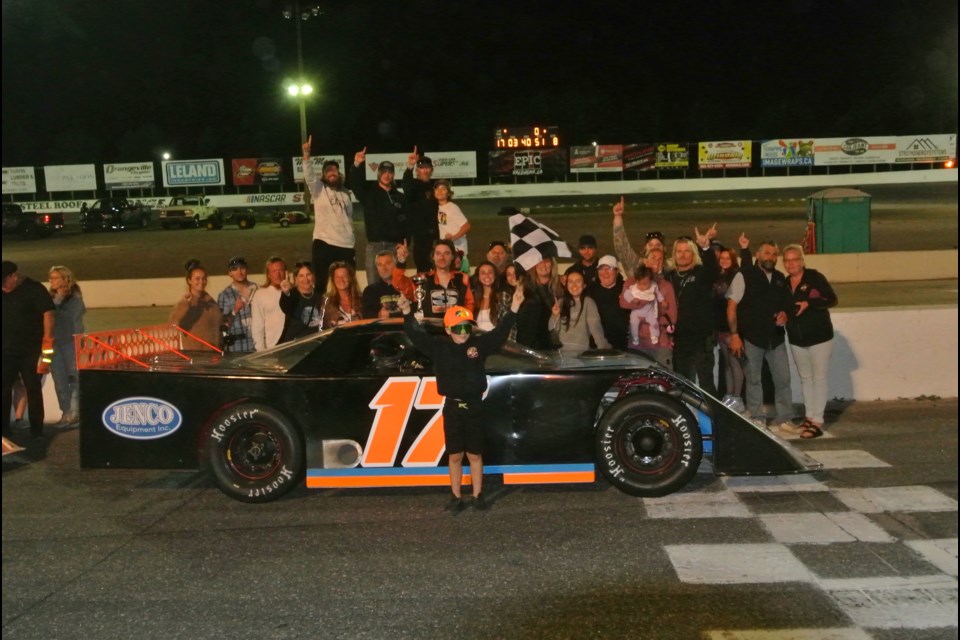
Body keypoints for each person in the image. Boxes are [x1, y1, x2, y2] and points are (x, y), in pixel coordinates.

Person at [396, 285, 525, 511]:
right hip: (452, 408)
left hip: (475, 406)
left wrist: (514, 306)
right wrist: (407, 311)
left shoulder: (478, 346)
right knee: (455, 454)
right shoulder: (438, 348)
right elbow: (416, 335)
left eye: (466, 326)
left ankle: (478, 495)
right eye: (458, 328)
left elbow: (499, 333)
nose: (463, 332)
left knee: (475, 454)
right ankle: (455, 496)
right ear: (447, 329)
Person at [726, 240, 796, 433]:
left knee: (783, 380)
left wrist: (785, 314)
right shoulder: (744, 275)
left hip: (776, 339)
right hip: (750, 339)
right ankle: (757, 417)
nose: (770, 257)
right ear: (758, 254)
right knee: (753, 380)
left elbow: (788, 305)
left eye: (774, 254)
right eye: (767, 253)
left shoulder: (780, 278)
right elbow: (731, 307)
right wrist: (734, 335)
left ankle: (785, 418)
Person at [783, 244, 838, 439]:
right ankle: (809, 416)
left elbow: (831, 299)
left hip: (820, 337)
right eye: (787, 261)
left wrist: (810, 303)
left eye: (794, 259)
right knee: (806, 378)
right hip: (797, 339)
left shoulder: (814, 278)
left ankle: (817, 421)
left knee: (819, 378)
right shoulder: (784, 283)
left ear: (802, 261)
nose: (791, 264)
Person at [2, 261, 55, 440]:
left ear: (12, 276)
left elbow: (48, 314)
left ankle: (37, 430)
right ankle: (4, 430)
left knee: (33, 388)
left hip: (31, 350)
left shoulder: (33, 289)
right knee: (3, 389)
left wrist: (47, 344)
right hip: (5, 351)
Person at [666, 227, 720, 396]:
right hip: (679, 340)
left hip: (700, 339)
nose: (682, 255)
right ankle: (687, 419)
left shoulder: (701, 272)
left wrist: (706, 248)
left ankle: (711, 421)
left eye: (687, 251)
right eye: (679, 251)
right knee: (682, 384)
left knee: (706, 385)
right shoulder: (669, 277)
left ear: (693, 254)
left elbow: (713, 270)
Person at [303, 134, 355, 291]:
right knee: (320, 283)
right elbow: (309, 177)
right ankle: (318, 314)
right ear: (324, 175)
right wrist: (306, 156)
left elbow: (349, 216)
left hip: (346, 244)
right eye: (328, 171)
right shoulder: (319, 189)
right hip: (324, 243)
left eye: (335, 171)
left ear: (338, 174)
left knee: (347, 284)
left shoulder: (346, 193)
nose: (332, 173)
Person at [349, 148, 406, 283]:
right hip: (374, 246)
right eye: (383, 172)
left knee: (396, 284)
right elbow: (355, 185)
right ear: (379, 173)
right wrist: (356, 165)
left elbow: (405, 222)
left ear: (393, 175)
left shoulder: (400, 197)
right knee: (373, 284)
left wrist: (404, 243)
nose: (386, 175)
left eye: (389, 172)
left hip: (394, 247)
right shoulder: (369, 194)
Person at [620, 248, 677, 368]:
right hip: (637, 343)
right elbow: (623, 302)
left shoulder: (666, 286)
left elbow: (672, 317)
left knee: (663, 381)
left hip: (659, 345)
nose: (657, 261)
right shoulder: (632, 281)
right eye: (653, 258)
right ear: (645, 261)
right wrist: (644, 302)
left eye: (660, 259)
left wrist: (651, 317)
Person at [393, 239, 473, 319]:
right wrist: (401, 262)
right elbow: (399, 284)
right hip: (428, 330)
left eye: (446, 253)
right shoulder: (422, 279)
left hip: (456, 329)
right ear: (433, 257)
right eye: (438, 253)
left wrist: (463, 323)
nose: (442, 257)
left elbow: (469, 304)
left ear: (452, 256)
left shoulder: (462, 278)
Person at [48, 266, 85, 426]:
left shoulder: (75, 299)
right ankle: (66, 412)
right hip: (54, 344)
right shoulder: (49, 298)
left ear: (65, 279)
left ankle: (75, 413)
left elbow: (71, 321)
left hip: (71, 343)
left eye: (55, 277)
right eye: (50, 278)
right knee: (59, 380)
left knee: (74, 377)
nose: (51, 281)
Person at [713, 246, 745, 406]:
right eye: (722, 258)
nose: (724, 261)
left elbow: (732, 306)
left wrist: (734, 333)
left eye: (728, 258)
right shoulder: (720, 276)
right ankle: (729, 395)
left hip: (730, 328)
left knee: (734, 362)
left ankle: (737, 397)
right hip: (720, 327)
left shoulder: (736, 276)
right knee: (726, 363)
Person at [549, 271, 611, 354]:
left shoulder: (588, 302)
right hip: (560, 354)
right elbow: (552, 329)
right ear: (566, 286)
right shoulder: (561, 302)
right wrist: (555, 315)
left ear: (584, 285)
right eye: (570, 282)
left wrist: (604, 350)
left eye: (578, 281)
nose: (574, 285)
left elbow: (596, 328)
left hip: (581, 354)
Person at [168, 259, 222, 350]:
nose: (201, 281)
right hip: (195, 354)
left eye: (204, 278)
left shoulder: (211, 303)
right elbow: (173, 325)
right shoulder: (184, 303)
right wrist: (185, 304)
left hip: (214, 354)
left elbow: (218, 324)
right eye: (197, 278)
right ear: (189, 281)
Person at [402, 147, 439, 273]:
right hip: (420, 238)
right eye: (422, 168)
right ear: (417, 170)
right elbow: (407, 188)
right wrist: (409, 168)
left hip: (436, 236)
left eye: (428, 168)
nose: (425, 170)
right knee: (423, 270)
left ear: (431, 170)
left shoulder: (435, 187)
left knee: (437, 268)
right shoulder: (414, 185)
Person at [515, 257, 562, 351]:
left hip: (548, 342)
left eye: (546, 261)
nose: (543, 265)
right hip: (526, 341)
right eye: (539, 261)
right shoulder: (524, 285)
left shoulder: (559, 287)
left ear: (552, 264)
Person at [611, 196, 668, 275]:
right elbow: (621, 248)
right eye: (651, 245)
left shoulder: (672, 268)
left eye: (658, 245)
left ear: (664, 248)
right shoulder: (636, 266)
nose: (654, 247)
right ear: (645, 248)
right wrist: (618, 216)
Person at [587, 255, 630, 351]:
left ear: (617, 271)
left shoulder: (626, 288)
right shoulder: (590, 291)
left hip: (623, 346)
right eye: (601, 269)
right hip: (596, 347)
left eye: (609, 268)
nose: (605, 272)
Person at [217, 256, 258, 353]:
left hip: (256, 345)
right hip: (235, 347)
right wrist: (234, 310)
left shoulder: (257, 289)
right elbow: (220, 323)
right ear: (230, 273)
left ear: (247, 269)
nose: (239, 272)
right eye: (235, 269)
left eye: (242, 268)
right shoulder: (224, 295)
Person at [278, 262, 324, 342]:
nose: (305, 279)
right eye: (301, 276)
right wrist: (285, 293)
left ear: (313, 276)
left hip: (315, 342)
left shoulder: (319, 296)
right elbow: (285, 308)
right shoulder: (291, 294)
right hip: (294, 344)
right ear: (296, 278)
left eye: (308, 274)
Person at [251, 256, 288, 351]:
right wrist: (260, 350)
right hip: (272, 347)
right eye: (274, 271)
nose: (278, 274)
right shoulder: (261, 294)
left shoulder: (293, 292)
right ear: (268, 274)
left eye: (281, 270)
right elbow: (257, 326)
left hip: (291, 346)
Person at [622, 265, 664, 346]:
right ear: (636, 281)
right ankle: (635, 337)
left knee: (654, 322)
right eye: (639, 283)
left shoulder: (653, 287)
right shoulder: (633, 288)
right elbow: (626, 294)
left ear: (651, 281)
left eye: (645, 284)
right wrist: (632, 299)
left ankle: (655, 335)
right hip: (636, 312)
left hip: (649, 311)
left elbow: (658, 294)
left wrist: (663, 301)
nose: (642, 286)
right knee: (633, 323)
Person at [434, 179, 470, 261]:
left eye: (443, 189)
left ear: (448, 193)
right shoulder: (435, 208)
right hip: (446, 252)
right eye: (437, 189)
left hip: (458, 251)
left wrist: (453, 238)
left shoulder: (452, 207)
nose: (440, 191)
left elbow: (466, 226)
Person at [320, 261, 364, 329]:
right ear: (333, 280)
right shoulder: (327, 300)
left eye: (344, 276)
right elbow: (321, 328)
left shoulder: (362, 298)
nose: (341, 280)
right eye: (337, 277)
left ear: (350, 278)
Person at [361, 250, 403, 319]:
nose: (384, 268)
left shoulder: (406, 287)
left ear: (395, 266)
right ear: (377, 269)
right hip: (382, 329)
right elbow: (366, 315)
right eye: (380, 265)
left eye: (388, 263)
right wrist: (378, 315)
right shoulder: (370, 291)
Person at [470, 261, 504, 331]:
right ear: (478, 277)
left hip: (497, 339)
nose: (487, 275)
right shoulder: (473, 297)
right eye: (483, 273)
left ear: (495, 276)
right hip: (477, 339)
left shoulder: (503, 296)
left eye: (490, 272)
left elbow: (508, 324)